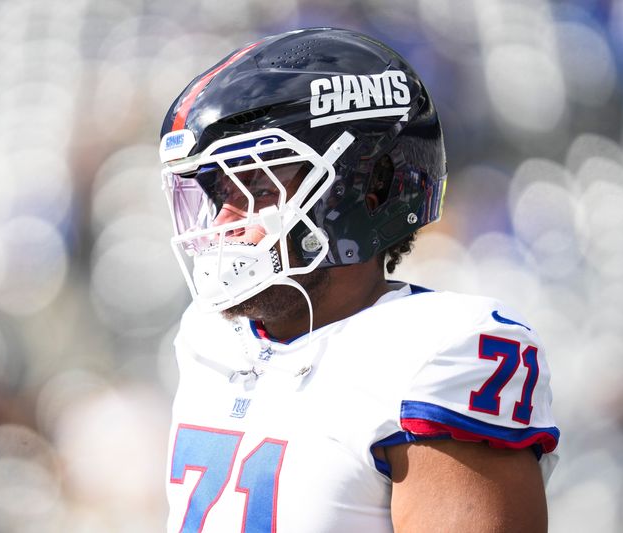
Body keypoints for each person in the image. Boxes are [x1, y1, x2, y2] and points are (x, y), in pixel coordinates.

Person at [158, 27, 559, 532]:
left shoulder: (443, 351)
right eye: (220, 194)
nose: (223, 222)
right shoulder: (207, 337)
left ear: (369, 189)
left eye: (258, 187)